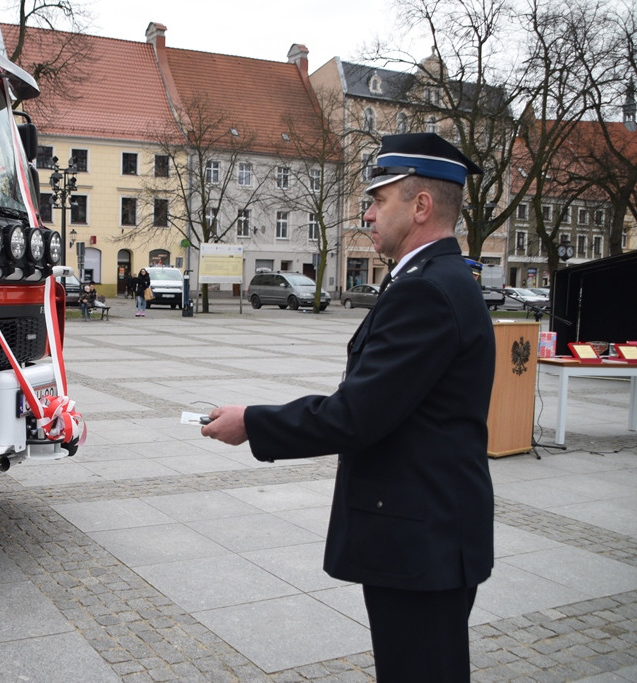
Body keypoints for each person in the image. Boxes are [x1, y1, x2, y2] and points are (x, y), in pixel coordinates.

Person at [202, 133, 496, 683]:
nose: (366, 213)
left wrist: (253, 423)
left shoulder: (427, 291)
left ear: (421, 206)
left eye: (379, 199)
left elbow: (356, 414)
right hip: (426, 534)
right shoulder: (431, 280)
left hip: (420, 542)